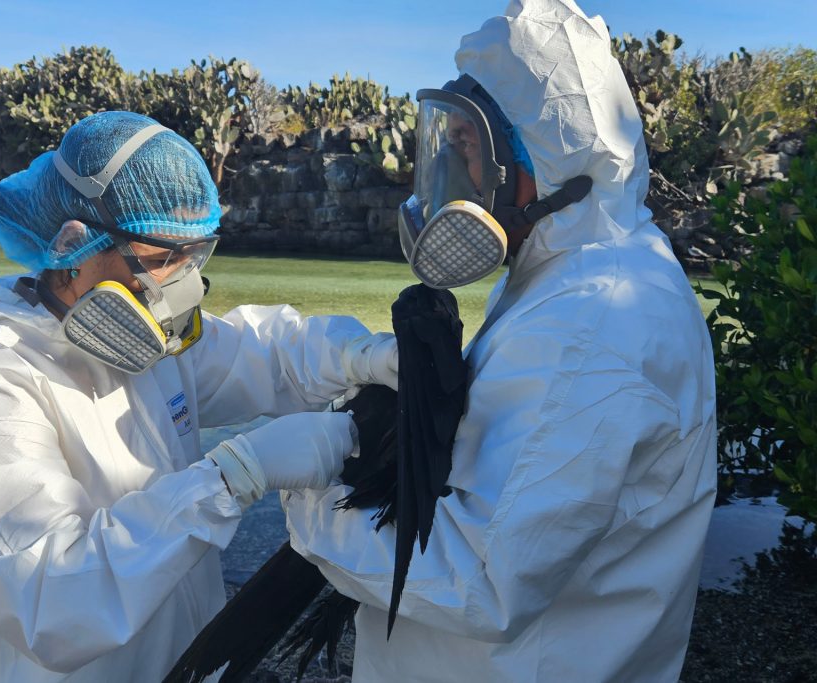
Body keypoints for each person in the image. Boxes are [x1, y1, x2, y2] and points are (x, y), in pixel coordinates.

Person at [283, 1, 717, 680]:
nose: (450, 177)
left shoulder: (596, 323)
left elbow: (478, 579)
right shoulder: (574, 272)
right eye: (446, 144)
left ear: (540, 159)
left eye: (465, 146)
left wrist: (302, 493)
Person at [0, 111, 397, 682]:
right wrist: (233, 476)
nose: (184, 283)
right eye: (161, 258)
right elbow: (57, 601)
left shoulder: (149, 350)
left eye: (193, 255)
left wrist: (368, 355)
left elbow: (266, 352)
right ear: (74, 244)